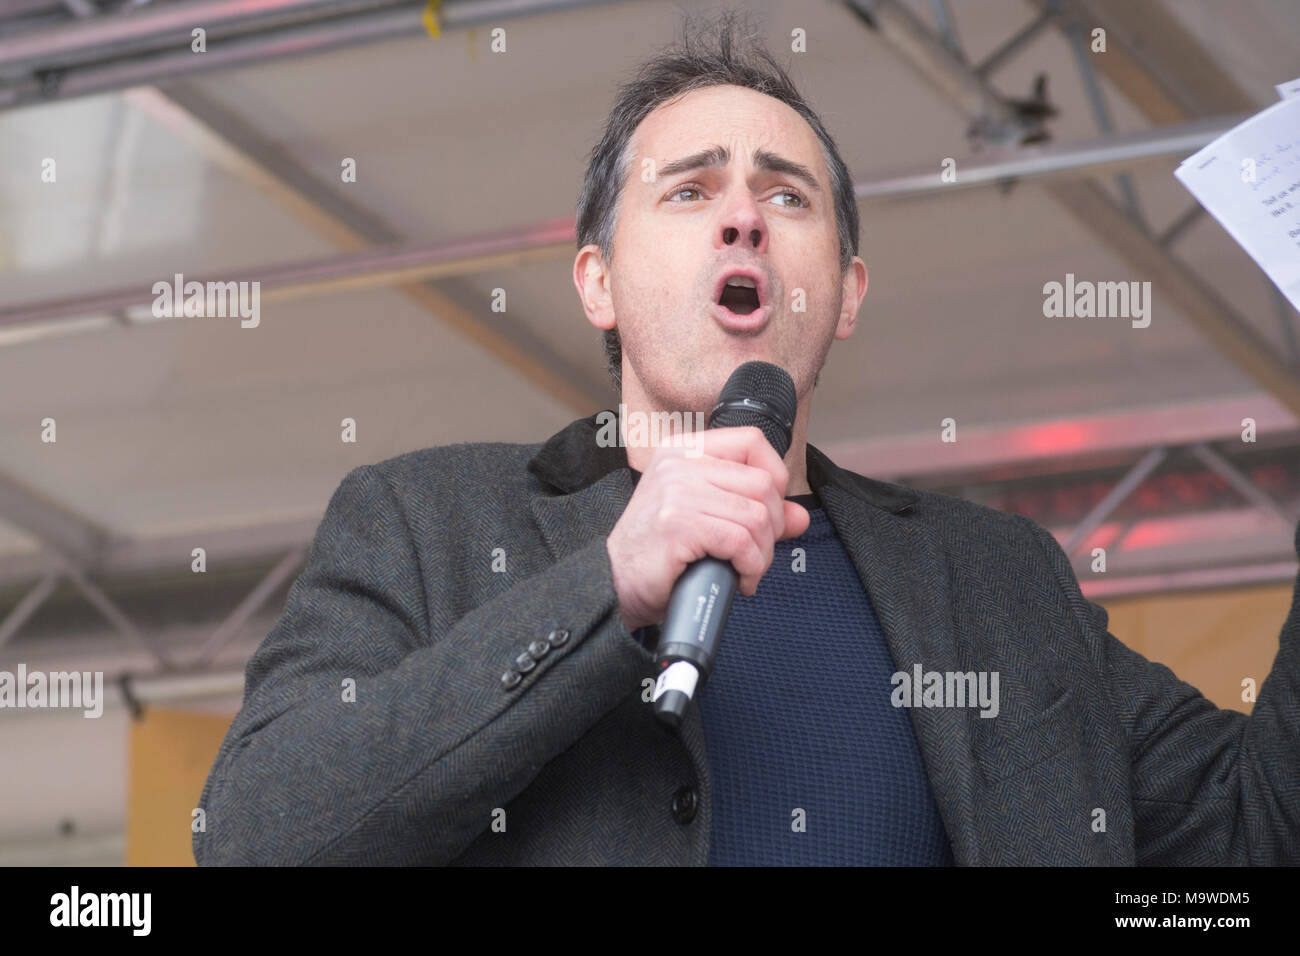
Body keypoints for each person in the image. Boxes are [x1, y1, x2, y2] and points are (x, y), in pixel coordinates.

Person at [194, 12, 1299, 866]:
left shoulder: (1000, 581)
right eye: (689, 191)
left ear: (848, 292)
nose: (744, 216)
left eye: (788, 194)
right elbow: (255, 832)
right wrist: (610, 585)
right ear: (597, 281)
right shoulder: (424, 524)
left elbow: (1259, 825)